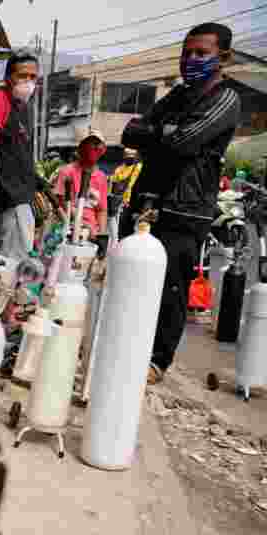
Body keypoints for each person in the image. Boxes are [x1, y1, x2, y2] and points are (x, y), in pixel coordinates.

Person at [121, 22, 241, 385]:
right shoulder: (176, 96)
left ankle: (157, 361)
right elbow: (129, 133)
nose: (191, 59)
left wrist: (158, 134)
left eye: (201, 53)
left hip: (184, 212)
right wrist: (164, 133)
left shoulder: (226, 99)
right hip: (145, 203)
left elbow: (185, 142)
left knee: (170, 287)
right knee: (130, 279)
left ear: (224, 57)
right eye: (187, 52)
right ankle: (125, 348)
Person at [0, 52, 43, 261]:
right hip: (9, 195)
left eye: (33, 77)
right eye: (23, 75)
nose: (29, 81)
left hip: (22, 194)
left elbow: (20, 152)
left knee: (16, 261)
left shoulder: (24, 107)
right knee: (13, 264)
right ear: (8, 77)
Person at [54, 129, 109, 239]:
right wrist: (83, 224)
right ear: (81, 148)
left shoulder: (101, 178)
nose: (94, 148)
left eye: (97, 144)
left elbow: (101, 210)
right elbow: (60, 202)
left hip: (92, 234)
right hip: (68, 229)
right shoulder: (67, 172)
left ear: (102, 150)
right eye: (90, 144)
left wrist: (101, 234)